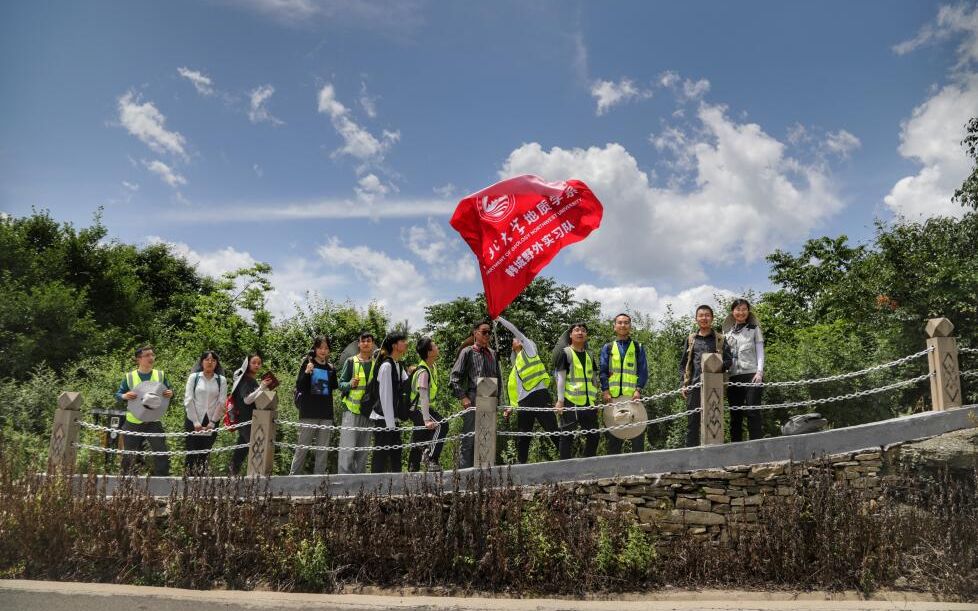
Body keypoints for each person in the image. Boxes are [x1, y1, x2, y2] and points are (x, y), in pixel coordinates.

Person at [496, 315, 558, 464]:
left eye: (517, 338)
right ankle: (521, 465)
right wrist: (511, 407)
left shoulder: (529, 351)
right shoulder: (516, 364)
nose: (515, 340)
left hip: (539, 396)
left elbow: (516, 331)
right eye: (514, 339)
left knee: (552, 430)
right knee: (523, 436)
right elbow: (515, 390)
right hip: (524, 401)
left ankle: (567, 457)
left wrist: (499, 319)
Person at [114, 345, 174, 476]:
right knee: (129, 455)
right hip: (133, 420)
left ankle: (162, 482)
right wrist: (124, 396)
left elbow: (169, 391)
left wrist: (170, 393)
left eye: (152, 355)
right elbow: (118, 395)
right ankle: (125, 483)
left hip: (154, 420)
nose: (151, 358)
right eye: (147, 355)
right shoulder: (129, 377)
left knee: (161, 452)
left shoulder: (160, 374)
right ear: (138, 359)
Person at [449, 320, 501, 469]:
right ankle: (464, 476)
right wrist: (462, 397)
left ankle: (485, 476)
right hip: (473, 396)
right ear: (475, 333)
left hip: (490, 394)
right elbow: (454, 377)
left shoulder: (492, 353)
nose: (488, 335)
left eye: (489, 332)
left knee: (487, 439)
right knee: (469, 438)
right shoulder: (468, 351)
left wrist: (499, 398)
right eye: (484, 332)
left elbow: (499, 378)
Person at [679, 305, 733, 447]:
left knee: (715, 420)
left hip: (715, 387)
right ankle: (691, 456)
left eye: (707, 315)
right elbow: (684, 363)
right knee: (692, 422)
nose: (704, 318)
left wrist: (716, 365)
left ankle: (714, 453)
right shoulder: (691, 339)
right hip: (694, 386)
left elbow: (729, 361)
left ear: (712, 318)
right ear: (696, 319)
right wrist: (682, 385)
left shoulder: (720, 339)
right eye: (701, 315)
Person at [599, 313, 649, 454]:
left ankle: (639, 471)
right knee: (614, 439)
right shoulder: (607, 348)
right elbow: (603, 371)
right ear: (614, 326)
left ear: (630, 326)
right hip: (613, 399)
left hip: (633, 398)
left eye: (626, 323)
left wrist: (638, 390)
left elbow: (643, 371)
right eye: (620, 323)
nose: (623, 325)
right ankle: (613, 472)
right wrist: (605, 391)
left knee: (637, 437)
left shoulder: (638, 347)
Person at [290, 336, 339, 475]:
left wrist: (333, 372)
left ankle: (319, 483)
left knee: (322, 450)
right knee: (302, 448)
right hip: (308, 413)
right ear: (315, 349)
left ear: (329, 350)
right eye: (320, 347)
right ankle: (292, 479)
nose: (323, 351)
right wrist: (307, 372)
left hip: (326, 414)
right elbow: (299, 385)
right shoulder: (308, 363)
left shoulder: (330, 368)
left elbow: (334, 386)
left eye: (326, 348)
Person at [554, 322, 601, 460]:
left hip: (588, 402)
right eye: (576, 330)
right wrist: (560, 401)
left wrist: (595, 401)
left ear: (586, 335)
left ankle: (586, 464)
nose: (580, 333)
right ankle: (565, 469)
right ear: (570, 335)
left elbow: (593, 380)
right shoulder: (565, 353)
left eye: (583, 330)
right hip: (570, 401)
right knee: (566, 436)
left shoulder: (590, 355)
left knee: (594, 435)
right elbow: (560, 379)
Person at [722, 299, 765, 442]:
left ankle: (757, 446)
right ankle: (736, 447)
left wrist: (759, 372)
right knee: (735, 415)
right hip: (733, 376)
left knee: (753, 412)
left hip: (752, 375)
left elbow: (760, 352)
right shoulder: (727, 333)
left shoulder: (754, 329)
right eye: (738, 309)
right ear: (733, 312)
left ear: (748, 311)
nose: (741, 312)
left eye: (744, 309)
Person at [369, 332, 410, 473]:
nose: (406, 343)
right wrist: (391, 424)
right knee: (380, 456)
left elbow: (406, 383)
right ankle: (374, 489)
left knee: (395, 455)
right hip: (383, 419)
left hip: (393, 418)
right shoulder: (386, 366)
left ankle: (396, 488)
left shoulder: (398, 365)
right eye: (403, 341)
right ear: (394, 345)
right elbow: (385, 396)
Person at [337, 332, 377, 474]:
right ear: (358, 344)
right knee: (347, 449)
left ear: (372, 344)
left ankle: (360, 482)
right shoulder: (351, 361)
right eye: (363, 341)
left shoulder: (375, 364)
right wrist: (349, 384)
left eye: (369, 341)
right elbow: (340, 384)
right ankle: (344, 481)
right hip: (351, 411)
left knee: (364, 450)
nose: (366, 343)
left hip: (369, 413)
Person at [183, 350, 227, 475]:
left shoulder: (221, 380)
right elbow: (188, 399)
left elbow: (221, 402)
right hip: (193, 419)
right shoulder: (194, 377)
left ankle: (201, 485)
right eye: (207, 359)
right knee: (191, 452)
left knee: (205, 452)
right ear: (201, 362)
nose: (210, 362)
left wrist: (213, 422)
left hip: (211, 420)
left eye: (213, 360)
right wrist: (196, 421)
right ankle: (187, 482)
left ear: (216, 363)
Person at [407, 337, 448, 472]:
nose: (438, 347)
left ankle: (413, 468)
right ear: (429, 352)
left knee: (420, 438)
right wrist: (426, 420)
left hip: (425, 408)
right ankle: (431, 459)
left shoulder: (432, 366)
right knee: (442, 425)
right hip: (419, 409)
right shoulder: (424, 372)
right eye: (435, 346)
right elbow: (423, 396)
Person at [229, 353, 270, 475]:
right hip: (246, 420)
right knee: (254, 449)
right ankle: (255, 475)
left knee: (242, 449)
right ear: (247, 364)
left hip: (251, 419)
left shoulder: (252, 380)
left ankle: (232, 473)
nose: (257, 365)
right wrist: (261, 388)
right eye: (254, 363)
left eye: (259, 363)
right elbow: (247, 400)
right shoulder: (245, 380)